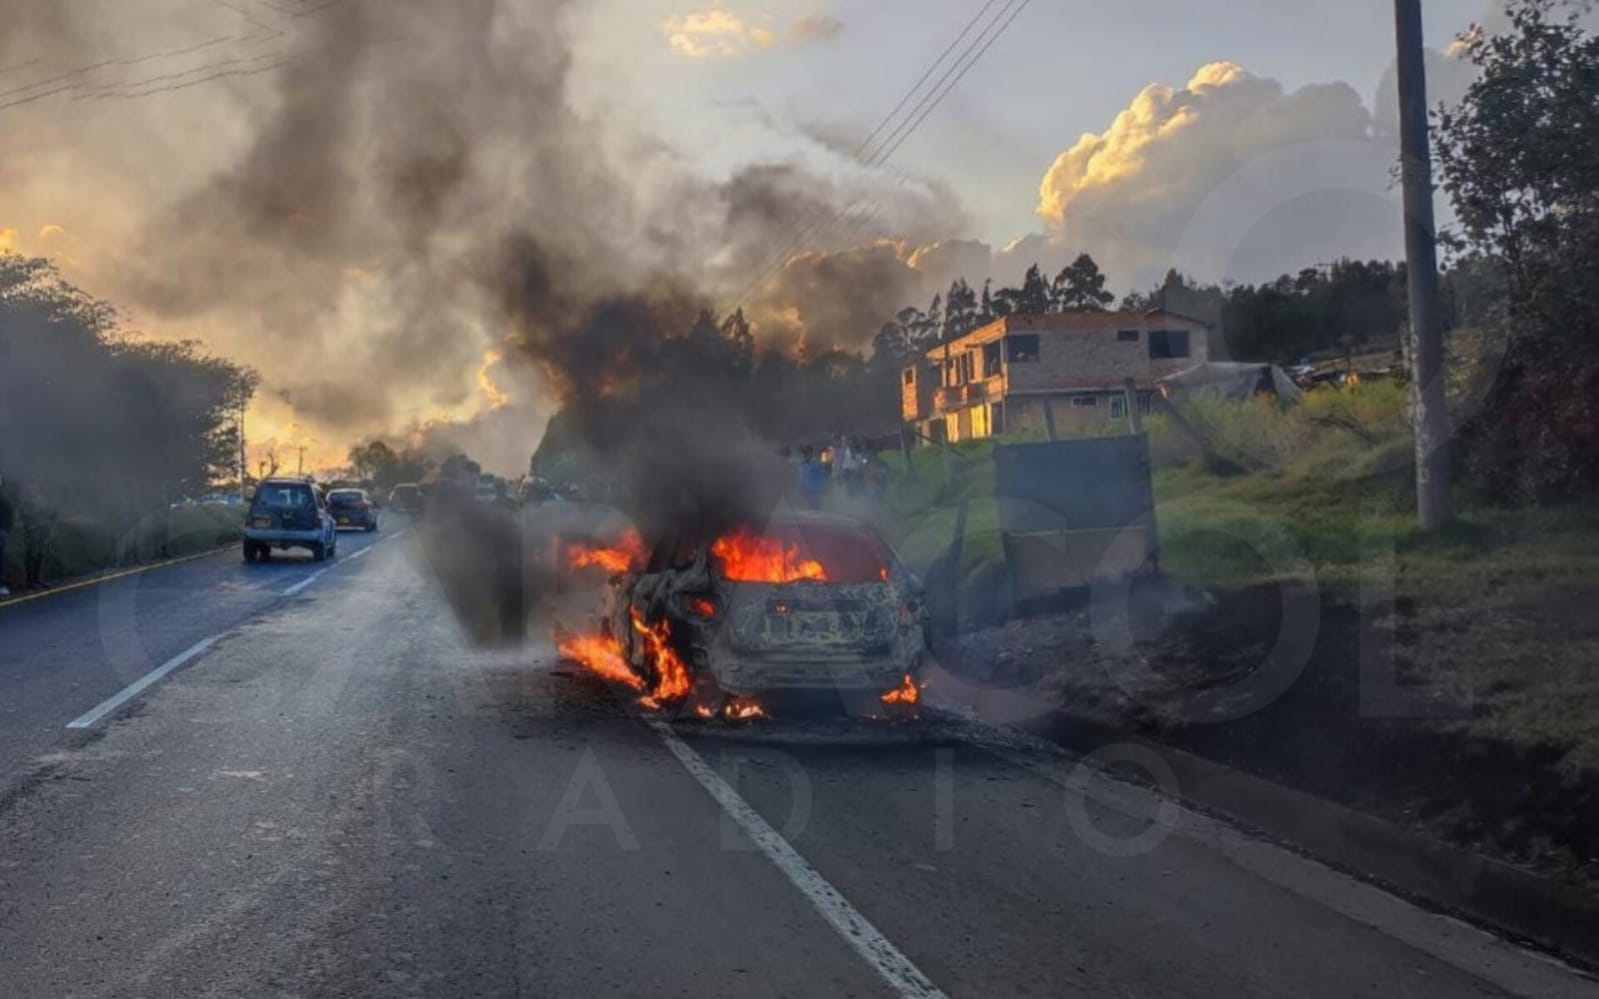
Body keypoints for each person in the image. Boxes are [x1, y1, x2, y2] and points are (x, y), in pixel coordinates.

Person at [20, 479, 56, 589]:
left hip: (43, 528)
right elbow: (23, 514)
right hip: (32, 529)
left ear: (38, 487)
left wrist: (51, 518)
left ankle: (37, 578)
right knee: (32, 554)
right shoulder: (26, 500)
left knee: (41, 553)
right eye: (30, 486)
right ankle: (30, 580)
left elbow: (50, 511)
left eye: (34, 486)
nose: (32, 488)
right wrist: (31, 521)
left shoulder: (43, 498)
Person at [0, 475, 13, 598]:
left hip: (1, 531)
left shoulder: (5, 496)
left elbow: (9, 514)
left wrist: (6, 530)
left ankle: (2, 584)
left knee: (1, 559)